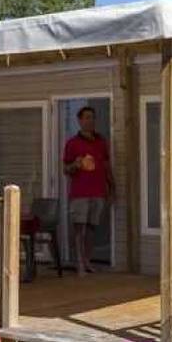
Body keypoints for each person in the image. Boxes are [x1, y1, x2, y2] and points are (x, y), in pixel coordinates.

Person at [62, 105, 115, 276]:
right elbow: (66, 169)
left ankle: (87, 260)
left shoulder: (101, 141)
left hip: (98, 191)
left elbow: (106, 166)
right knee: (79, 228)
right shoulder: (72, 143)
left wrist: (112, 186)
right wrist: (75, 165)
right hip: (80, 193)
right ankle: (79, 263)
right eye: (86, 118)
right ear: (79, 120)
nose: (90, 121)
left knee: (92, 228)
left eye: (92, 117)